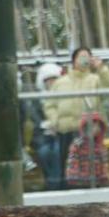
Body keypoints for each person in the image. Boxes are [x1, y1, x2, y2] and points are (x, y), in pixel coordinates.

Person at [44, 47, 109, 189]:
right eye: (81, 56)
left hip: (90, 132)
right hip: (66, 131)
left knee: (91, 167)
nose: (84, 59)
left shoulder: (96, 80)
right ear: (74, 60)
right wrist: (55, 121)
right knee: (67, 167)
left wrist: (102, 69)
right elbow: (50, 104)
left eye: (87, 56)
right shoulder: (61, 82)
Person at [32, 62, 65, 190]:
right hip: (43, 137)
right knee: (44, 153)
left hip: (61, 135)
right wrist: (45, 125)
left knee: (58, 151)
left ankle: (56, 184)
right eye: (48, 80)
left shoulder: (64, 97)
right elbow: (35, 118)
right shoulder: (37, 99)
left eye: (54, 80)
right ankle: (52, 183)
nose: (51, 83)